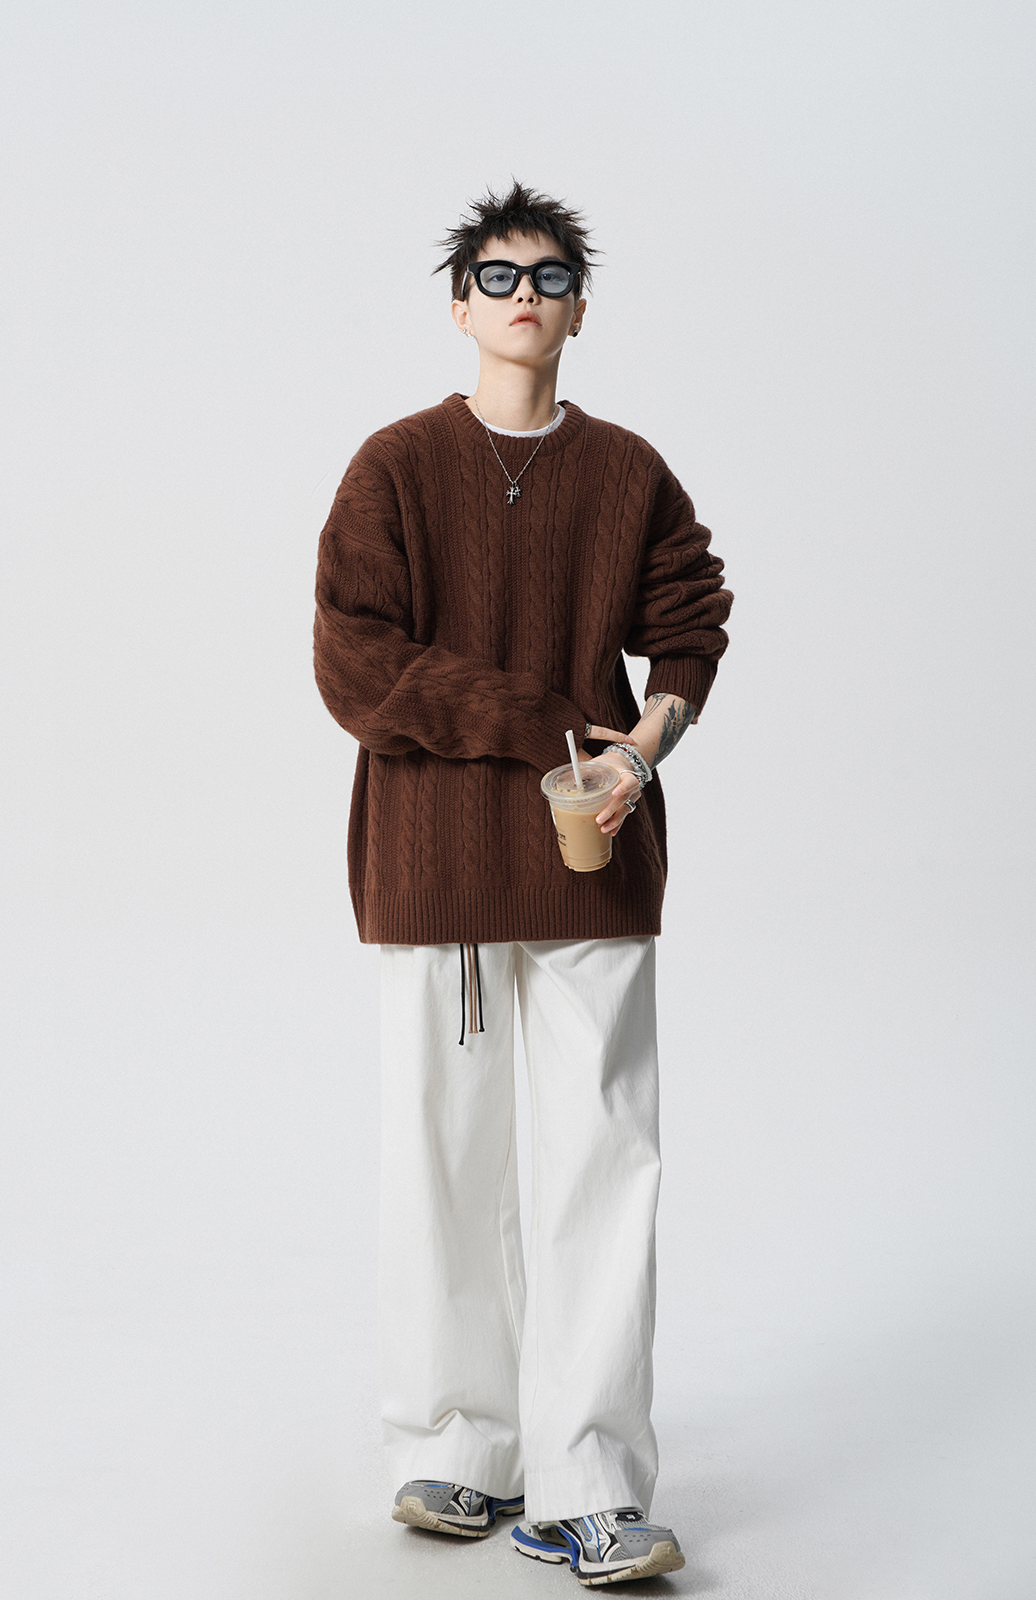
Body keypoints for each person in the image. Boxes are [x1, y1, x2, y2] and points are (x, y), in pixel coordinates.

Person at [312, 181, 732, 1587]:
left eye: (549, 279)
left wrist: (644, 749)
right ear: (459, 306)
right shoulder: (393, 468)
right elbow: (355, 664)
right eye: (498, 277)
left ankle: (591, 1485)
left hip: (590, 857)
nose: (524, 299)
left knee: (603, 1166)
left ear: (579, 311)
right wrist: (544, 718)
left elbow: (688, 625)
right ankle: (457, 1447)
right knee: (441, 1168)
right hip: (436, 867)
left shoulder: (627, 471)